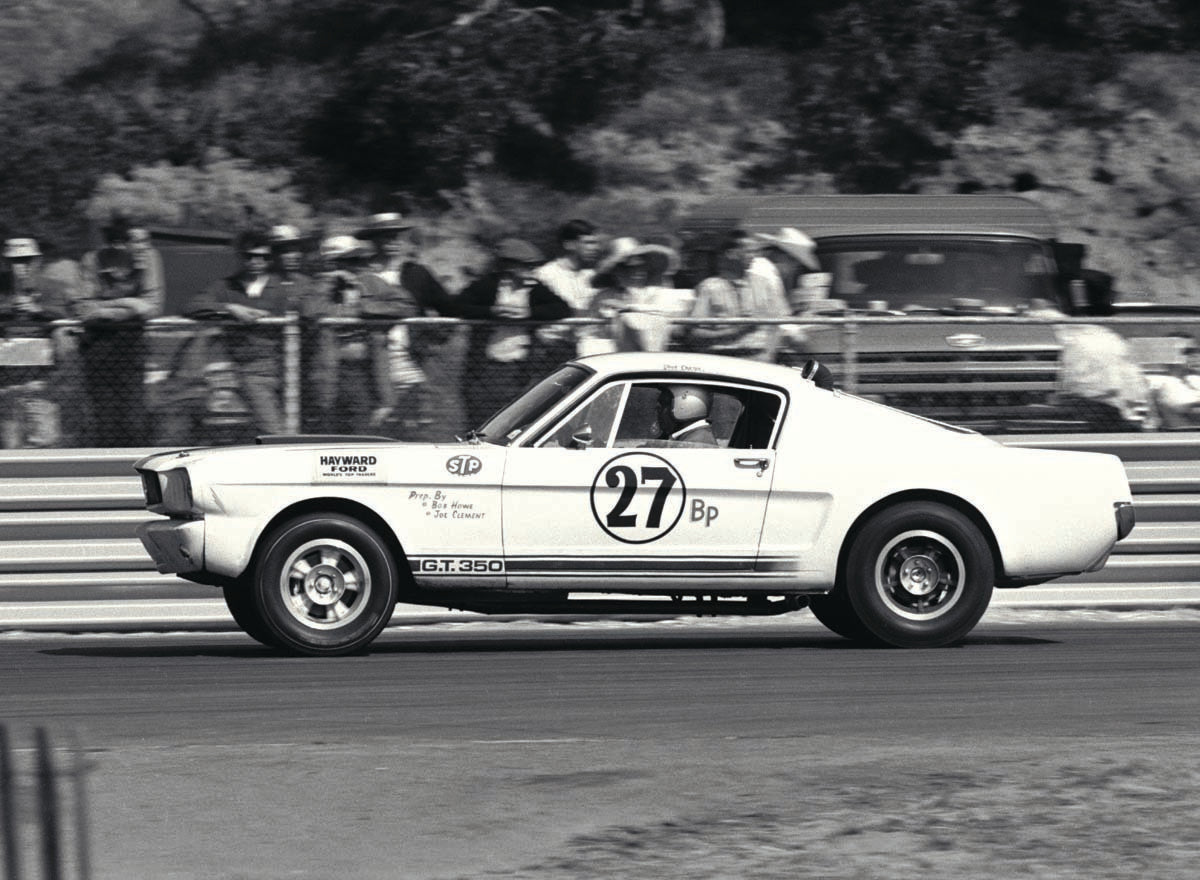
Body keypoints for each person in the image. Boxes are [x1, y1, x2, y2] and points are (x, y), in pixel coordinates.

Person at [304, 234, 421, 435]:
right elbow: (309, 312)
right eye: (346, 261)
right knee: (327, 429)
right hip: (328, 370)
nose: (354, 266)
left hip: (362, 371)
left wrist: (363, 307)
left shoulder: (371, 282)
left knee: (361, 430)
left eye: (357, 260)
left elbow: (406, 305)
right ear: (331, 263)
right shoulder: (320, 286)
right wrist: (329, 284)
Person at [456, 238, 571, 428]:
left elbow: (562, 308)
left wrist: (529, 314)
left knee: (515, 423)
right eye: (526, 266)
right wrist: (492, 312)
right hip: (485, 368)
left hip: (519, 368)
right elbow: (458, 305)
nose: (531, 271)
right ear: (509, 266)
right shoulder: (488, 285)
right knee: (481, 422)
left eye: (532, 267)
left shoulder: (534, 288)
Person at [75, 229, 163, 446]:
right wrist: (130, 304)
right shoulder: (93, 260)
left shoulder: (150, 257)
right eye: (135, 241)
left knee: (133, 419)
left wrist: (106, 307)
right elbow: (84, 309)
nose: (142, 246)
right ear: (119, 243)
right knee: (104, 419)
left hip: (132, 348)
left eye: (146, 240)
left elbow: (152, 307)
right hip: (97, 347)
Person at [1, 238, 74, 447]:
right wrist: (8, 311)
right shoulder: (3, 294)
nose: (21, 267)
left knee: (44, 447)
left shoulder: (51, 290)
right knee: (10, 451)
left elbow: (68, 319)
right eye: (15, 262)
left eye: (26, 261)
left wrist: (38, 311)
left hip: (42, 390)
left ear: (37, 262)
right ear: (7, 264)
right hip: (8, 390)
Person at [685, 229, 791, 362]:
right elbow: (695, 335)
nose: (753, 257)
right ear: (731, 254)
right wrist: (735, 332)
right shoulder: (708, 287)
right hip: (724, 362)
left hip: (760, 361)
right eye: (748, 251)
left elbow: (778, 324)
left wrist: (768, 354)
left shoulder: (764, 284)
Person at [584, 237, 693, 354]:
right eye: (628, 267)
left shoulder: (657, 293)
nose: (637, 272)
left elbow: (668, 320)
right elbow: (589, 332)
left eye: (641, 266)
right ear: (615, 271)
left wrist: (627, 309)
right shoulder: (603, 296)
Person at [532, 218, 603, 361]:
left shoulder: (592, 277)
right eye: (588, 243)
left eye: (596, 243)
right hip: (548, 354)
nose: (595, 248)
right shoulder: (545, 275)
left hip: (584, 352)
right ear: (569, 244)